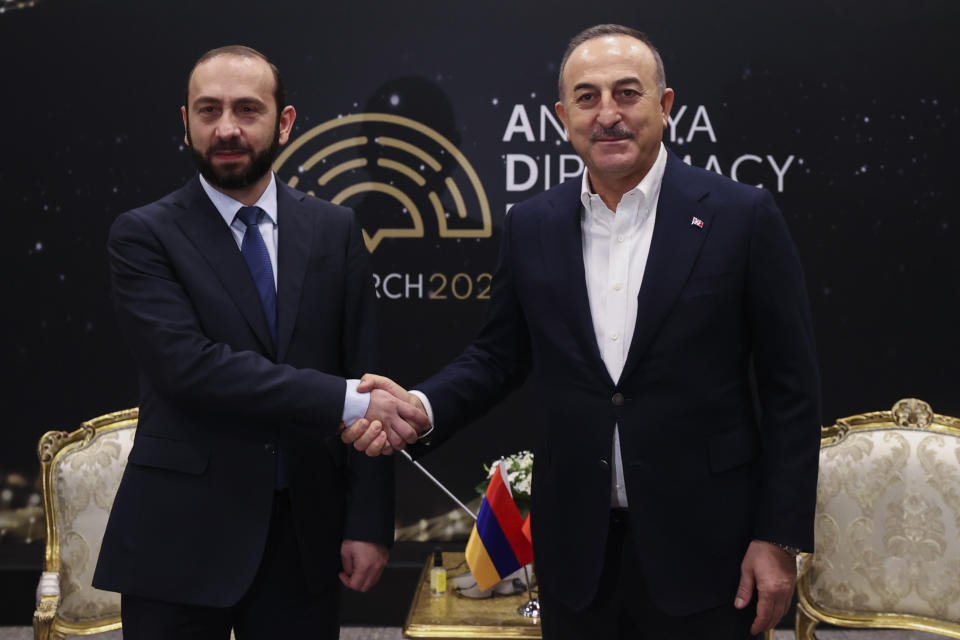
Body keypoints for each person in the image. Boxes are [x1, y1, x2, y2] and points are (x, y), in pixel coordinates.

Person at [345, 24, 820, 640]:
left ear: (665, 106)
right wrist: (420, 406)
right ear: (563, 115)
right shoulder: (532, 225)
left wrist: (778, 536)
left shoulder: (742, 216)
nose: (608, 115)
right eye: (588, 98)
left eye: (627, 93)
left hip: (709, 550)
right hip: (577, 555)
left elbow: (791, 390)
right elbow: (497, 357)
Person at [93, 45, 428, 639]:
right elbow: (189, 369)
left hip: (302, 539)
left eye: (247, 109)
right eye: (208, 110)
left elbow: (366, 368)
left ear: (285, 121)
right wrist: (349, 400)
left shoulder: (334, 229)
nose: (226, 128)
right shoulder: (144, 234)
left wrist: (369, 522)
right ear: (186, 121)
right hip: (179, 541)